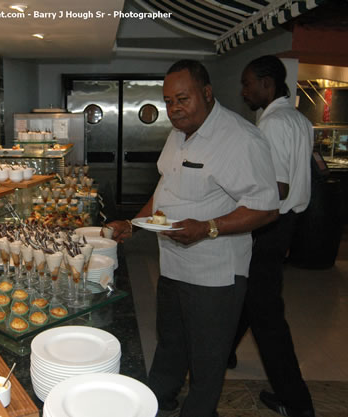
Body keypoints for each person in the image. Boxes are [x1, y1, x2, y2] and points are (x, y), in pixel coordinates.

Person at [109, 59, 279, 417]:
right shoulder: (178, 133)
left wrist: (207, 228)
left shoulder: (239, 139)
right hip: (173, 263)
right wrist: (135, 224)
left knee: (207, 357)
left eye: (182, 99)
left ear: (207, 92)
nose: (174, 109)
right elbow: (166, 189)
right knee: (170, 342)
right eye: (168, 101)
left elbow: (266, 208)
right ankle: (158, 400)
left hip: (215, 272)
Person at [229, 55, 315, 417]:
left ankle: (296, 403)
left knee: (268, 319)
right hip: (287, 225)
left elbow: (275, 187)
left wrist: (232, 201)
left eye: (248, 83)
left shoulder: (273, 124)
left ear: (267, 84)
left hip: (269, 226)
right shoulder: (298, 118)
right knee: (250, 298)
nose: (244, 91)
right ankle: (224, 353)